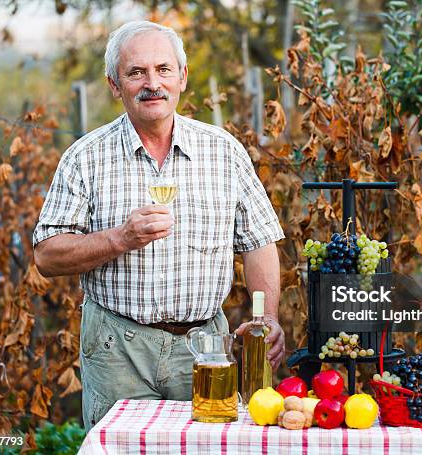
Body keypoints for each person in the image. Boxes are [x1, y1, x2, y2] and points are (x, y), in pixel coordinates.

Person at [33, 21, 285, 431]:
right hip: (117, 348)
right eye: (136, 73)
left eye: (163, 70)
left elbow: (258, 242)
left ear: (182, 78)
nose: (153, 83)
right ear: (115, 85)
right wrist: (120, 238)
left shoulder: (223, 152)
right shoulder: (85, 157)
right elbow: (46, 254)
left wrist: (268, 316)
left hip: (205, 347)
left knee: (207, 443)